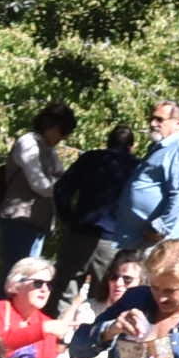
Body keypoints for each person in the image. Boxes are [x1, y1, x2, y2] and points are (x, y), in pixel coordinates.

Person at [50, 123, 138, 312]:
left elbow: (61, 189)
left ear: (108, 142)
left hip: (80, 233)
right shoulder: (136, 168)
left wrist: (68, 218)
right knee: (107, 296)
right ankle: (97, 336)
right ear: (131, 147)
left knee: (64, 290)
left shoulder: (90, 159)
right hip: (114, 241)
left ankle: (57, 336)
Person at [111, 102, 179, 256]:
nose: (153, 124)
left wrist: (161, 228)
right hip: (137, 241)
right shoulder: (159, 148)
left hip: (157, 244)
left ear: (178, 123)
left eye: (160, 120)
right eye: (152, 119)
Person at [0, 104, 80, 275]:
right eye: (62, 131)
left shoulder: (49, 150)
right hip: (19, 221)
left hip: (38, 223)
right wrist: (61, 188)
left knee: (29, 276)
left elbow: (62, 178)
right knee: (15, 277)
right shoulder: (28, 143)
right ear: (50, 125)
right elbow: (39, 183)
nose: (62, 137)